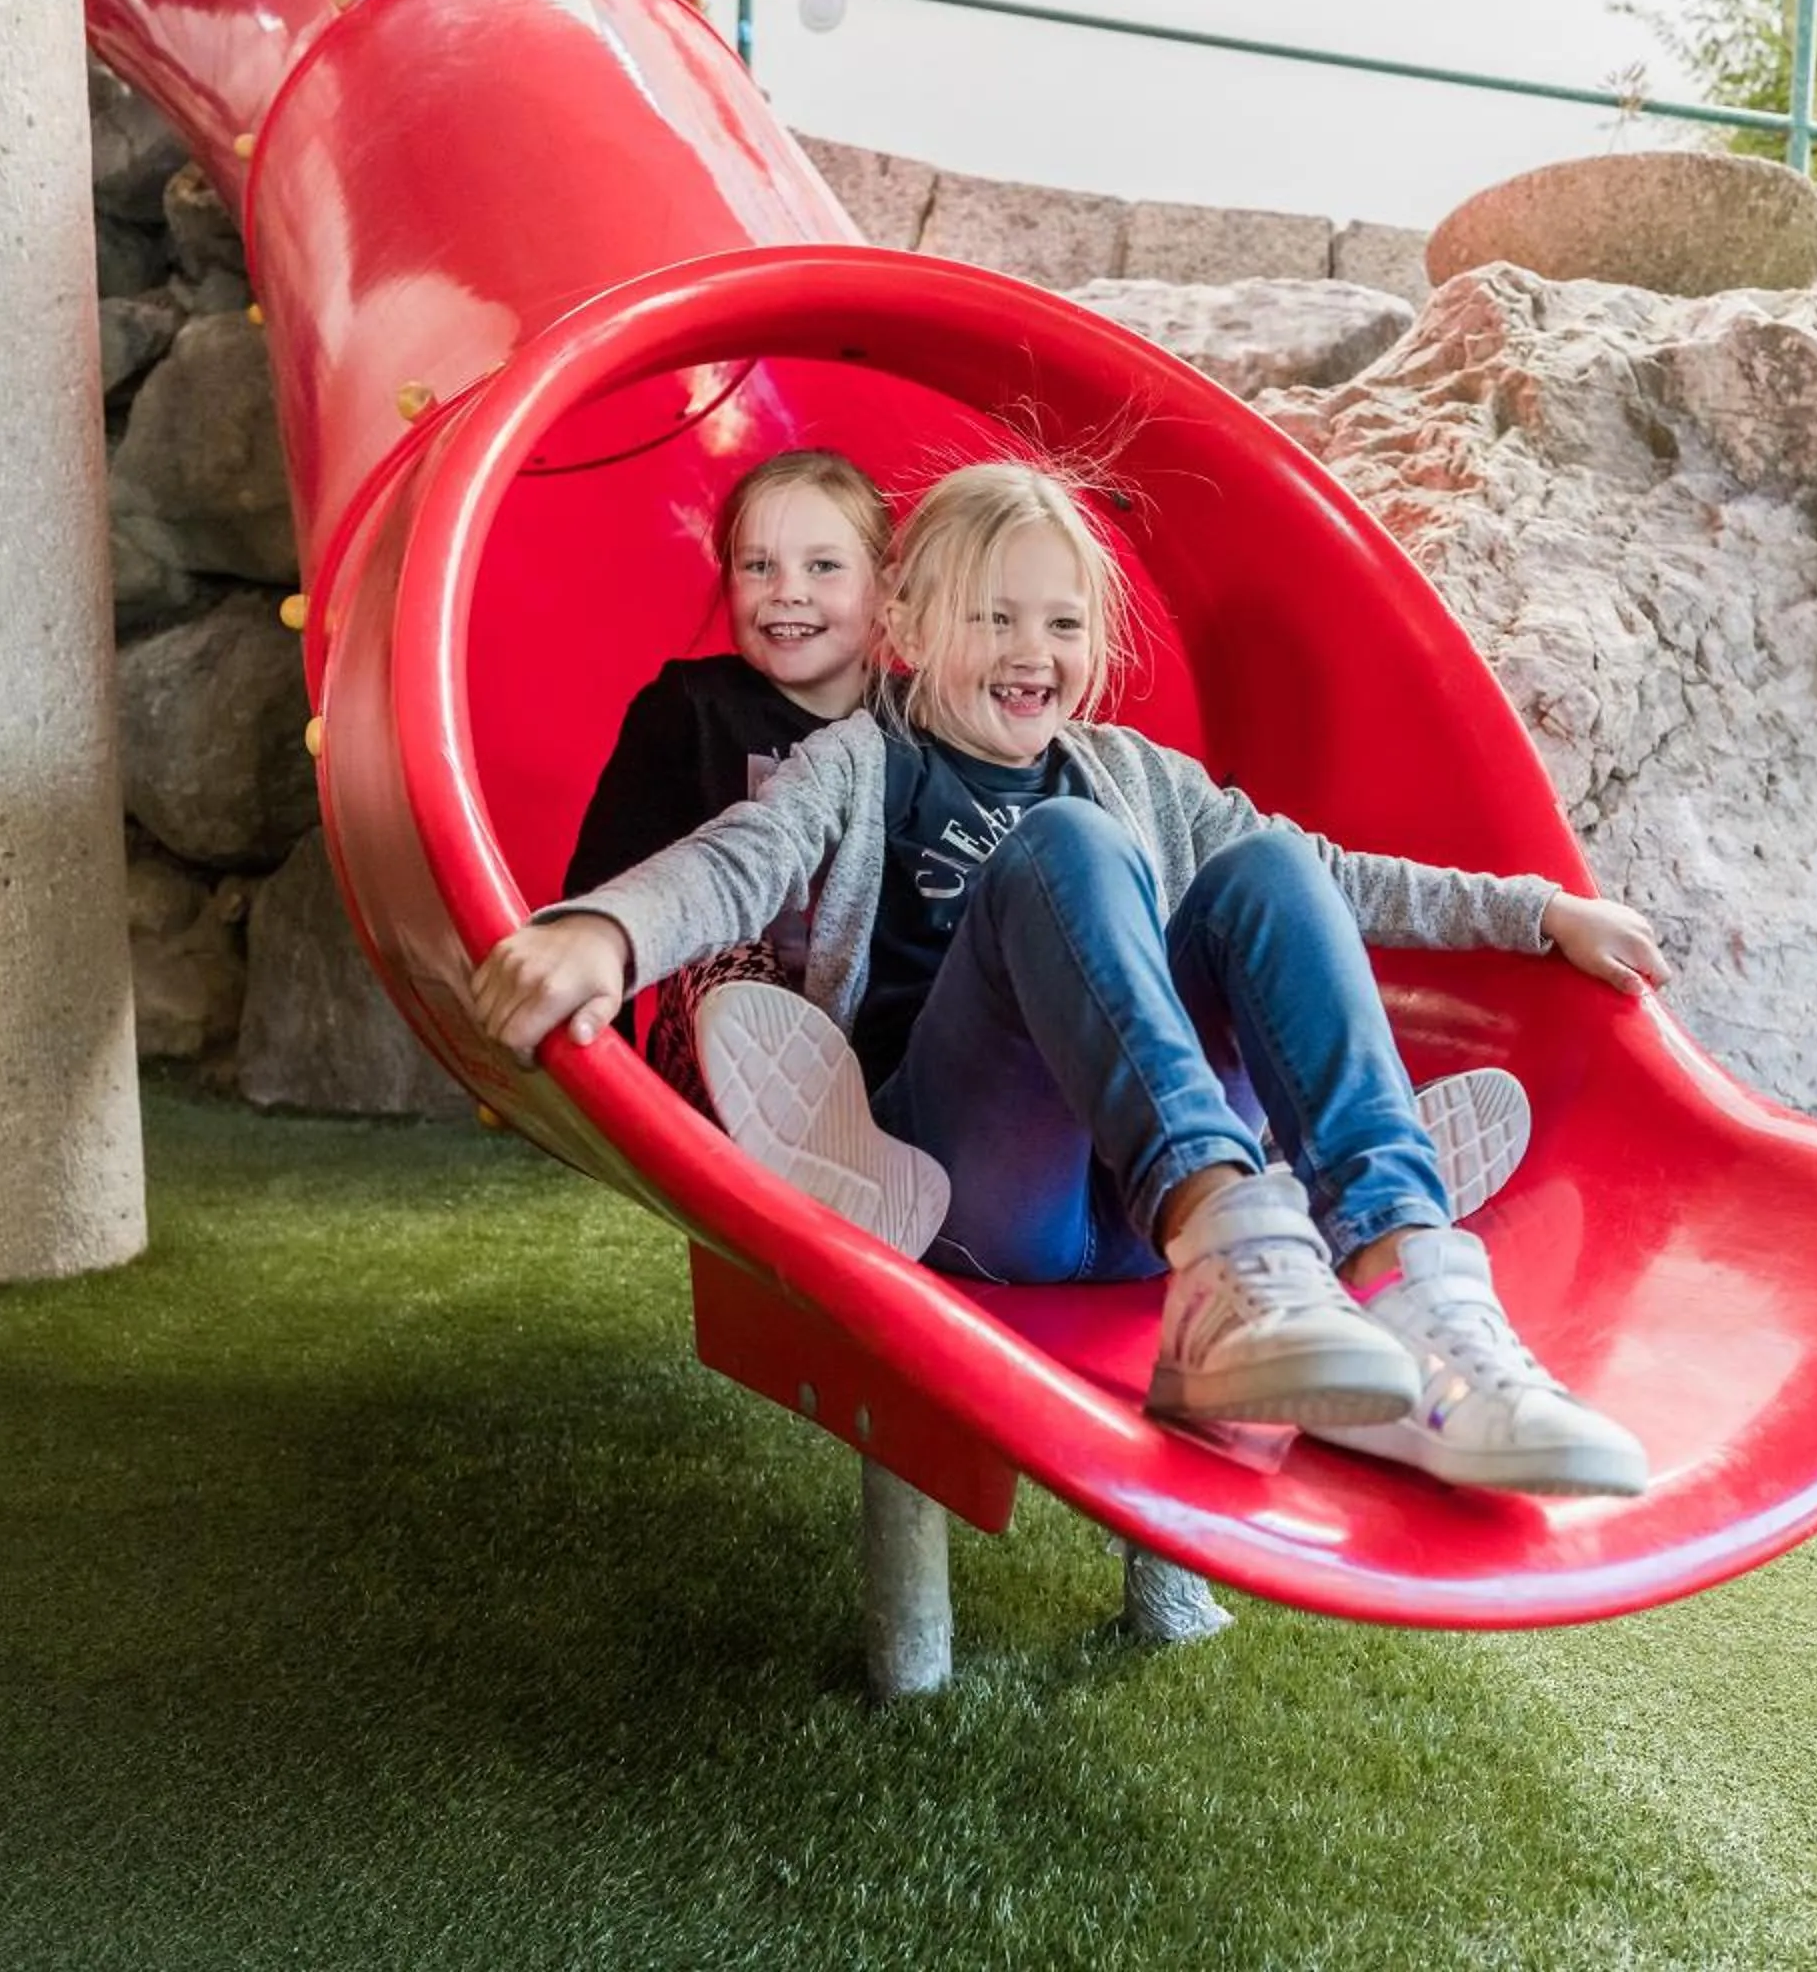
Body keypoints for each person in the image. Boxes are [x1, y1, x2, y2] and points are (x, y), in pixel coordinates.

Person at [475, 462, 1669, 1497]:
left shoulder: (1129, 771)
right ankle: (1237, 1242)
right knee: (1068, 854)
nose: (1031, 654)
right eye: (994, 618)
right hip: (991, 1193)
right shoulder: (859, 762)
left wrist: (1539, 911)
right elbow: (740, 862)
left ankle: (1414, 1290)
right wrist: (609, 932)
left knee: (1267, 866)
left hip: (1134, 1217)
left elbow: (1344, 883)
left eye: (1061, 625)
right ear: (909, 622)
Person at [560, 448, 889, 1114]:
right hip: (723, 1042)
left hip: (873, 1044)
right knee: (729, 943)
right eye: (757, 566)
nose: (786, 590)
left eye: (823, 566)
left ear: (886, 589)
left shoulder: (917, 727)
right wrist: (602, 1078)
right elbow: (608, 882)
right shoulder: (691, 708)